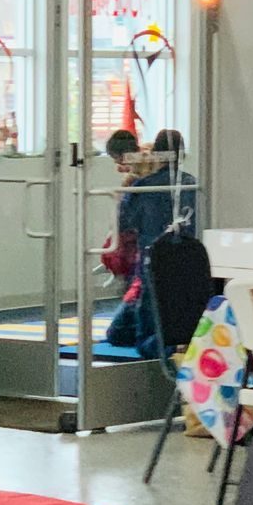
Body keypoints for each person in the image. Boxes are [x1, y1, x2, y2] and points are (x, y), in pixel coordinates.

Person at [104, 129, 198, 357]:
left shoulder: (144, 187)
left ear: (155, 153)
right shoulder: (194, 185)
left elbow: (124, 223)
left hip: (151, 266)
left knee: (121, 334)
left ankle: (168, 347)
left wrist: (128, 188)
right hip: (187, 263)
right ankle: (179, 342)